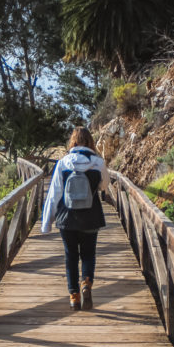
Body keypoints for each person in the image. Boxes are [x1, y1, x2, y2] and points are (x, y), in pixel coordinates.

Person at [40, 126, 110, 310]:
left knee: (71, 256)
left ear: (74, 141)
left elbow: (54, 193)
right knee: (88, 254)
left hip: (67, 218)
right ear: (89, 142)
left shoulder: (63, 163)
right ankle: (86, 282)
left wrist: (46, 223)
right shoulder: (97, 162)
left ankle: (74, 296)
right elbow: (104, 186)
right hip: (91, 217)